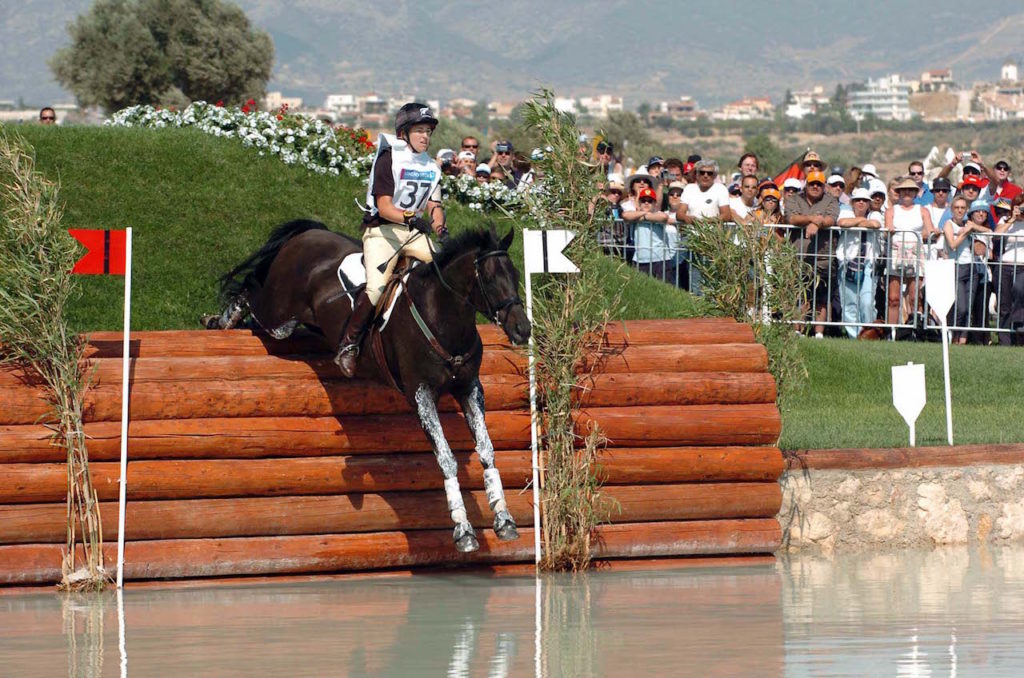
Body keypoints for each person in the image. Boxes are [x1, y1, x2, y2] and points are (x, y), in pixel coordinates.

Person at [337, 103, 447, 377]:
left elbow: (434, 205)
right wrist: (411, 218)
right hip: (383, 231)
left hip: (413, 232)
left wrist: (441, 227)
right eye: (420, 131)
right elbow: (384, 206)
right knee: (376, 288)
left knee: (444, 274)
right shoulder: (388, 159)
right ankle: (348, 346)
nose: (426, 137)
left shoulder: (431, 167)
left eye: (428, 132)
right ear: (404, 134)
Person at [785, 170, 840, 338]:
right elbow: (792, 218)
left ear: (824, 186)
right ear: (806, 184)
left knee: (822, 297)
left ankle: (818, 334)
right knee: (798, 296)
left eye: (819, 184)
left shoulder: (830, 200)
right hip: (797, 256)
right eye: (812, 183)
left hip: (823, 257)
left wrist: (818, 223)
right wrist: (814, 219)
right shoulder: (794, 199)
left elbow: (831, 219)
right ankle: (797, 330)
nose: (815, 186)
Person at [884, 177, 936, 329]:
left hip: (915, 252)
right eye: (904, 190)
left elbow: (930, 230)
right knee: (893, 297)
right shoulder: (891, 211)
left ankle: (915, 330)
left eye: (910, 190)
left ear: (915, 192)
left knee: (914, 297)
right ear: (899, 193)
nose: (907, 193)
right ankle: (891, 331)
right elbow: (887, 228)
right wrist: (889, 230)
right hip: (895, 251)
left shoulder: (923, 210)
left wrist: (933, 232)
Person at [836, 188, 883, 338]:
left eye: (864, 200)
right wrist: (862, 222)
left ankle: (868, 335)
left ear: (869, 203)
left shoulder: (875, 213)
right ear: (852, 203)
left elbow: (875, 224)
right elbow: (843, 223)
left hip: (868, 263)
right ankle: (853, 336)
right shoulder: (845, 212)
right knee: (849, 304)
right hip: (848, 262)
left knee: (867, 302)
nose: (861, 203)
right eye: (858, 200)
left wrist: (856, 223)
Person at [943, 198, 991, 343]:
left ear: (966, 210)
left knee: (969, 307)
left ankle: (963, 339)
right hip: (956, 267)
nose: (959, 210)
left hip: (971, 268)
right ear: (952, 209)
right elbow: (952, 245)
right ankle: (955, 335)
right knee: (961, 307)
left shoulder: (968, 223)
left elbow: (989, 231)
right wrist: (966, 232)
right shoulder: (949, 224)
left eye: (963, 208)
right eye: (957, 207)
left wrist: (973, 227)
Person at [623, 186, 680, 286]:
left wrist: (643, 217)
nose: (646, 203)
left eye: (650, 201)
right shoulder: (635, 214)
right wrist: (645, 213)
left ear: (655, 204)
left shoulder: (657, 213)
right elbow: (625, 215)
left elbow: (663, 217)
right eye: (643, 200)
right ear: (639, 203)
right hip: (640, 260)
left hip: (660, 260)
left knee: (664, 291)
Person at [994, 196, 1024, 345]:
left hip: (1022, 266)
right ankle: (1004, 341)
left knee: (1020, 290)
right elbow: (996, 235)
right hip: (1005, 265)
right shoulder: (1006, 220)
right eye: (1020, 207)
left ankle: (1019, 328)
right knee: (1004, 304)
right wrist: (1012, 219)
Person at [677, 159, 732, 224]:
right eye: (702, 172)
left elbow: (726, 215)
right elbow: (679, 214)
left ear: (715, 176)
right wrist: (687, 218)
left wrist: (705, 221)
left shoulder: (721, 189)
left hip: (712, 232)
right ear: (697, 174)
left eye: (709, 173)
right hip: (692, 231)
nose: (705, 176)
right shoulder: (689, 188)